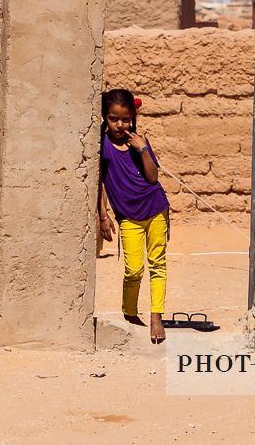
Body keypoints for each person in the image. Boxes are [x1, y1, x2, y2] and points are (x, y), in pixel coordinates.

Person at [97, 88, 171, 344]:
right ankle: (129, 312)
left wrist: (143, 149)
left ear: (132, 118)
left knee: (158, 264)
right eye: (114, 119)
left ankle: (156, 316)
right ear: (105, 118)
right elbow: (99, 183)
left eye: (125, 119)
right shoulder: (101, 146)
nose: (120, 124)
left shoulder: (137, 142)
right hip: (128, 216)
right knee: (133, 268)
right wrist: (103, 216)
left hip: (155, 207)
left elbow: (153, 177)